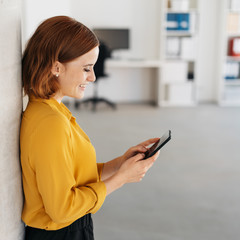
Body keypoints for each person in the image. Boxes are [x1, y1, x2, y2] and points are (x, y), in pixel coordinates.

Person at [20, 15, 160, 240]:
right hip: (62, 233)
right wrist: (120, 179)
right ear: (56, 66)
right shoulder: (50, 123)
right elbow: (61, 210)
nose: (93, 77)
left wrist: (120, 164)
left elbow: (72, 177)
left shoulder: (52, 111)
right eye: (86, 68)